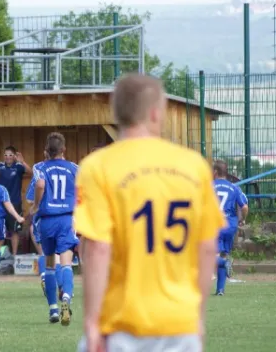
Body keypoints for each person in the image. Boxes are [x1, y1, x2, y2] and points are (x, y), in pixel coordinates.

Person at [74, 74, 226, 352]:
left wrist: (92, 321)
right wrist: (198, 318)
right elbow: (207, 247)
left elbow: (96, 248)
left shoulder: (97, 167)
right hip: (179, 324)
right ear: (156, 112)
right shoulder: (194, 166)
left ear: (116, 112)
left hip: (122, 324)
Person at [31, 132, 79, 326]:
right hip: (66, 220)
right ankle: (66, 298)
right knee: (66, 263)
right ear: (63, 149)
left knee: (50, 265)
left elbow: (40, 184)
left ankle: (52, 309)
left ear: (46, 150)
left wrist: (35, 205)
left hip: (47, 221)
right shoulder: (74, 168)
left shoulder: (40, 167)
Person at [0, 146, 32, 257]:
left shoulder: (18, 166)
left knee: (14, 231)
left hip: (15, 203)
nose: (8, 157)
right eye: (6, 155)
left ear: (14, 156)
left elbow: (31, 172)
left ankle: (14, 256)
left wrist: (23, 162)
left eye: (10, 155)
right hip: (0, 204)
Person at [25, 151, 63, 297]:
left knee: (46, 253)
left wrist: (37, 204)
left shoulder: (39, 171)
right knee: (58, 256)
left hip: (43, 219)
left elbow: (29, 199)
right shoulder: (68, 171)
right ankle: (62, 287)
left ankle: (44, 279)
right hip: (62, 218)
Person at [213, 159, 249, 296]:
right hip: (230, 226)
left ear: (215, 172)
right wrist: (242, 220)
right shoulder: (234, 187)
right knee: (222, 253)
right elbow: (244, 207)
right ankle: (220, 290)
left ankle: (225, 262)